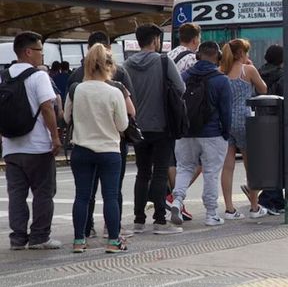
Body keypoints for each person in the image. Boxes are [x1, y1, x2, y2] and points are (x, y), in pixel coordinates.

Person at [66, 44, 129, 253]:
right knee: (110, 196)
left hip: (81, 150)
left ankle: (78, 240)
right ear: (109, 66)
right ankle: (113, 241)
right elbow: (123, 125)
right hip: (109, 150)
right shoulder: (114, 91)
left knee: (82, 196)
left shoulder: (76, 89)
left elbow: (66, 118)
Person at [2, 31, 61, 250]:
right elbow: (47, 107)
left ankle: (17, 239)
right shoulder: (38, 76)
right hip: (37, 147)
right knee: (43, 193)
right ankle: (39, 237)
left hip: (11, 147)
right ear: (28, 52)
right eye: (39, 51)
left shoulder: (3, 76)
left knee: (16, 194)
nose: (42, 55)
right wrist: (55, 137)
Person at [124, 23, 185, 235]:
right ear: (155, 41)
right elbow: (181, 87)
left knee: (142, 173)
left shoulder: (127, 65)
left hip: (138, 128)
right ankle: (160, 220)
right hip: (161, 125)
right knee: (160, 172)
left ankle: (138, 220)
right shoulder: (163, 61)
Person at [168, 42, 232, 227]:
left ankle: (177, 200)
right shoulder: (221, 80)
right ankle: (211, 214)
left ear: (198, 56)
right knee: (211, 172)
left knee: (185, 168)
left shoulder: (184, 77)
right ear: (218, 56)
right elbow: (226, 111)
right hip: (212, 134)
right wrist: (225, 134)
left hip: (186, 133)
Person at [220, 39, 270, 219]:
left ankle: (229, 208)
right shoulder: (247, 70)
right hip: (244, 119)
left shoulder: (221, 71)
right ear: (241, 53)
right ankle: (254, 207)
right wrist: (252, 66)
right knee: (251, 165)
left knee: (228, 166)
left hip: (225, 120)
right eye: (247, 52)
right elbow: (263, 89)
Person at [165, 22, 201, 222]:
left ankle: (177, 200)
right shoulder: (192, 60)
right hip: (185, 113)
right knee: (195, 161)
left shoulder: (169, 56)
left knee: (173, 159)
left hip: (167, 112)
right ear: (195, 39)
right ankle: (175, 197)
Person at [257, 44, 286, 212]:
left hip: (261, 119)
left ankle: (273, 197)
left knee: (269, 160)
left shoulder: (259, 72)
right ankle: (270, 198)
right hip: (278, 120)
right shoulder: (282, 76)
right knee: (279, 160)